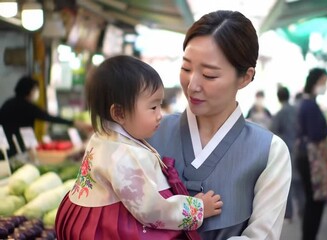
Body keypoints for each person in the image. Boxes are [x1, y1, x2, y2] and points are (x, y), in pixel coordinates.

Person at [148, 10, 291, 239]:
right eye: (186, 69)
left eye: (209, 75)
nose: (192, 85)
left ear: (245, 77)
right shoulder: (148, 133)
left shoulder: (270, 152)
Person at [55, 55, 223, 240]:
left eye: (160, 106)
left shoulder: (101, 137)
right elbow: (151, 210)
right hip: (109, 230)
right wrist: (198, 209)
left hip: (84, 219)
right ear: (119, 113)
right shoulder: (127, 155)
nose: (160, 115)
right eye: (153, 108)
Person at [295, 68, 327, 240]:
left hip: (307, 158)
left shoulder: (308, 103)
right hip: (311, 160)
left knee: (313, 201)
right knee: (314, 201)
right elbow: (316, 133)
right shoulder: (310, 105)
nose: (325, 85)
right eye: (323, 81)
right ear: (315, 82)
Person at [0, 76, 91, 157]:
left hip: (6, 147)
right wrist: (73, 122)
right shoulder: (28, 107)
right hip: (17, 148)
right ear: (30, 90)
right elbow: (49, 117)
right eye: (35, 90)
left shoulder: (8, 103)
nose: (36, 93)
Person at [270, 86, 301, 221]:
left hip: (286, 150)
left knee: (287, 181)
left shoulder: (280, 114)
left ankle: (288, 213)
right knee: (299, 181)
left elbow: (273, 132)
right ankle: (302, 209)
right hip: (299, 149)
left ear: (279, 98)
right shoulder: (297, 110)